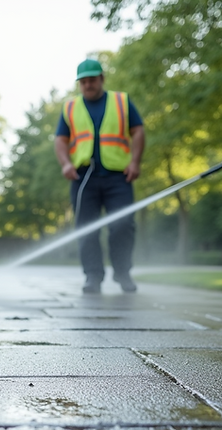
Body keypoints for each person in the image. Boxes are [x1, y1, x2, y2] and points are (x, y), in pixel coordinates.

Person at [55, 59, 145, 294]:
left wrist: (135, 162)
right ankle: (93, 276)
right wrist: (65, 164)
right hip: (83, 178)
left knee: (123, 226)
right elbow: (60, 140)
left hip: (119, 176)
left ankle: (123, 273)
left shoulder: (121, 101)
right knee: (86, 229)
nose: (88, 85)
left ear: (102, 79)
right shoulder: (70, 107)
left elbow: (138, 131)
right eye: (83, 81)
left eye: (92, 80)